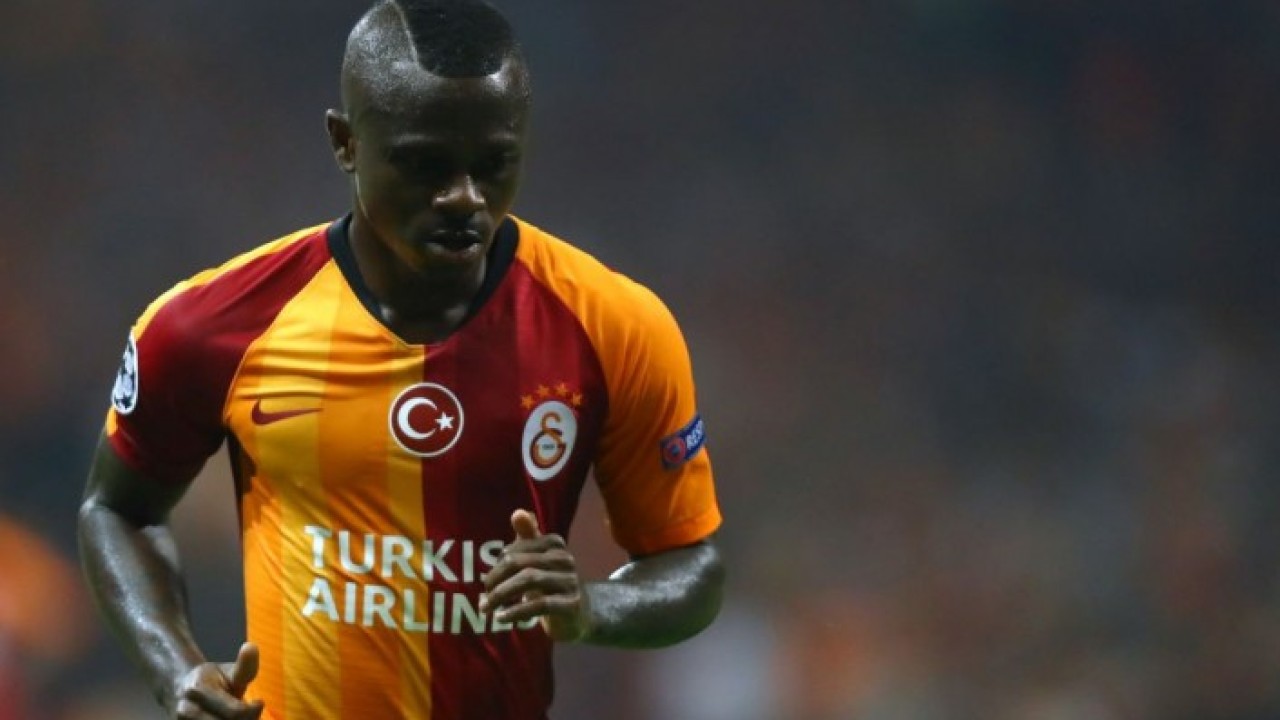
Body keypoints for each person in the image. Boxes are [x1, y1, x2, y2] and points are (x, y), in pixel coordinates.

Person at [76, 1, 725, 718]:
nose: (463, 197)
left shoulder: (614, 325)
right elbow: (117, 510)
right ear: (345, 143)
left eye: (494, 164)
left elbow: (692, 564)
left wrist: (592, 607)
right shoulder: (211, 323)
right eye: (424, 165)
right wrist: (175, 670)